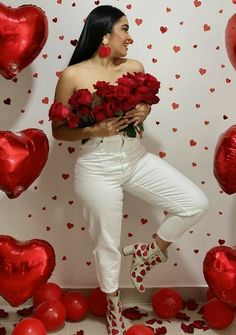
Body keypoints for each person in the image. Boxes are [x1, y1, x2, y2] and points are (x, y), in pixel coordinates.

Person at [50, 5, 209, 335]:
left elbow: (142, 102)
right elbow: (59, 131)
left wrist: (143, 108)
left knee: (195, 202)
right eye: (124, 28)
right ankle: (113, 306)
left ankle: (148, 252)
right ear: (105, 33)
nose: (130, 36)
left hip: (136, 159)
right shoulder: (73, 75)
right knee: (107, 244)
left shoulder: (134, 66)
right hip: (96, 167)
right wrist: (95, 130)